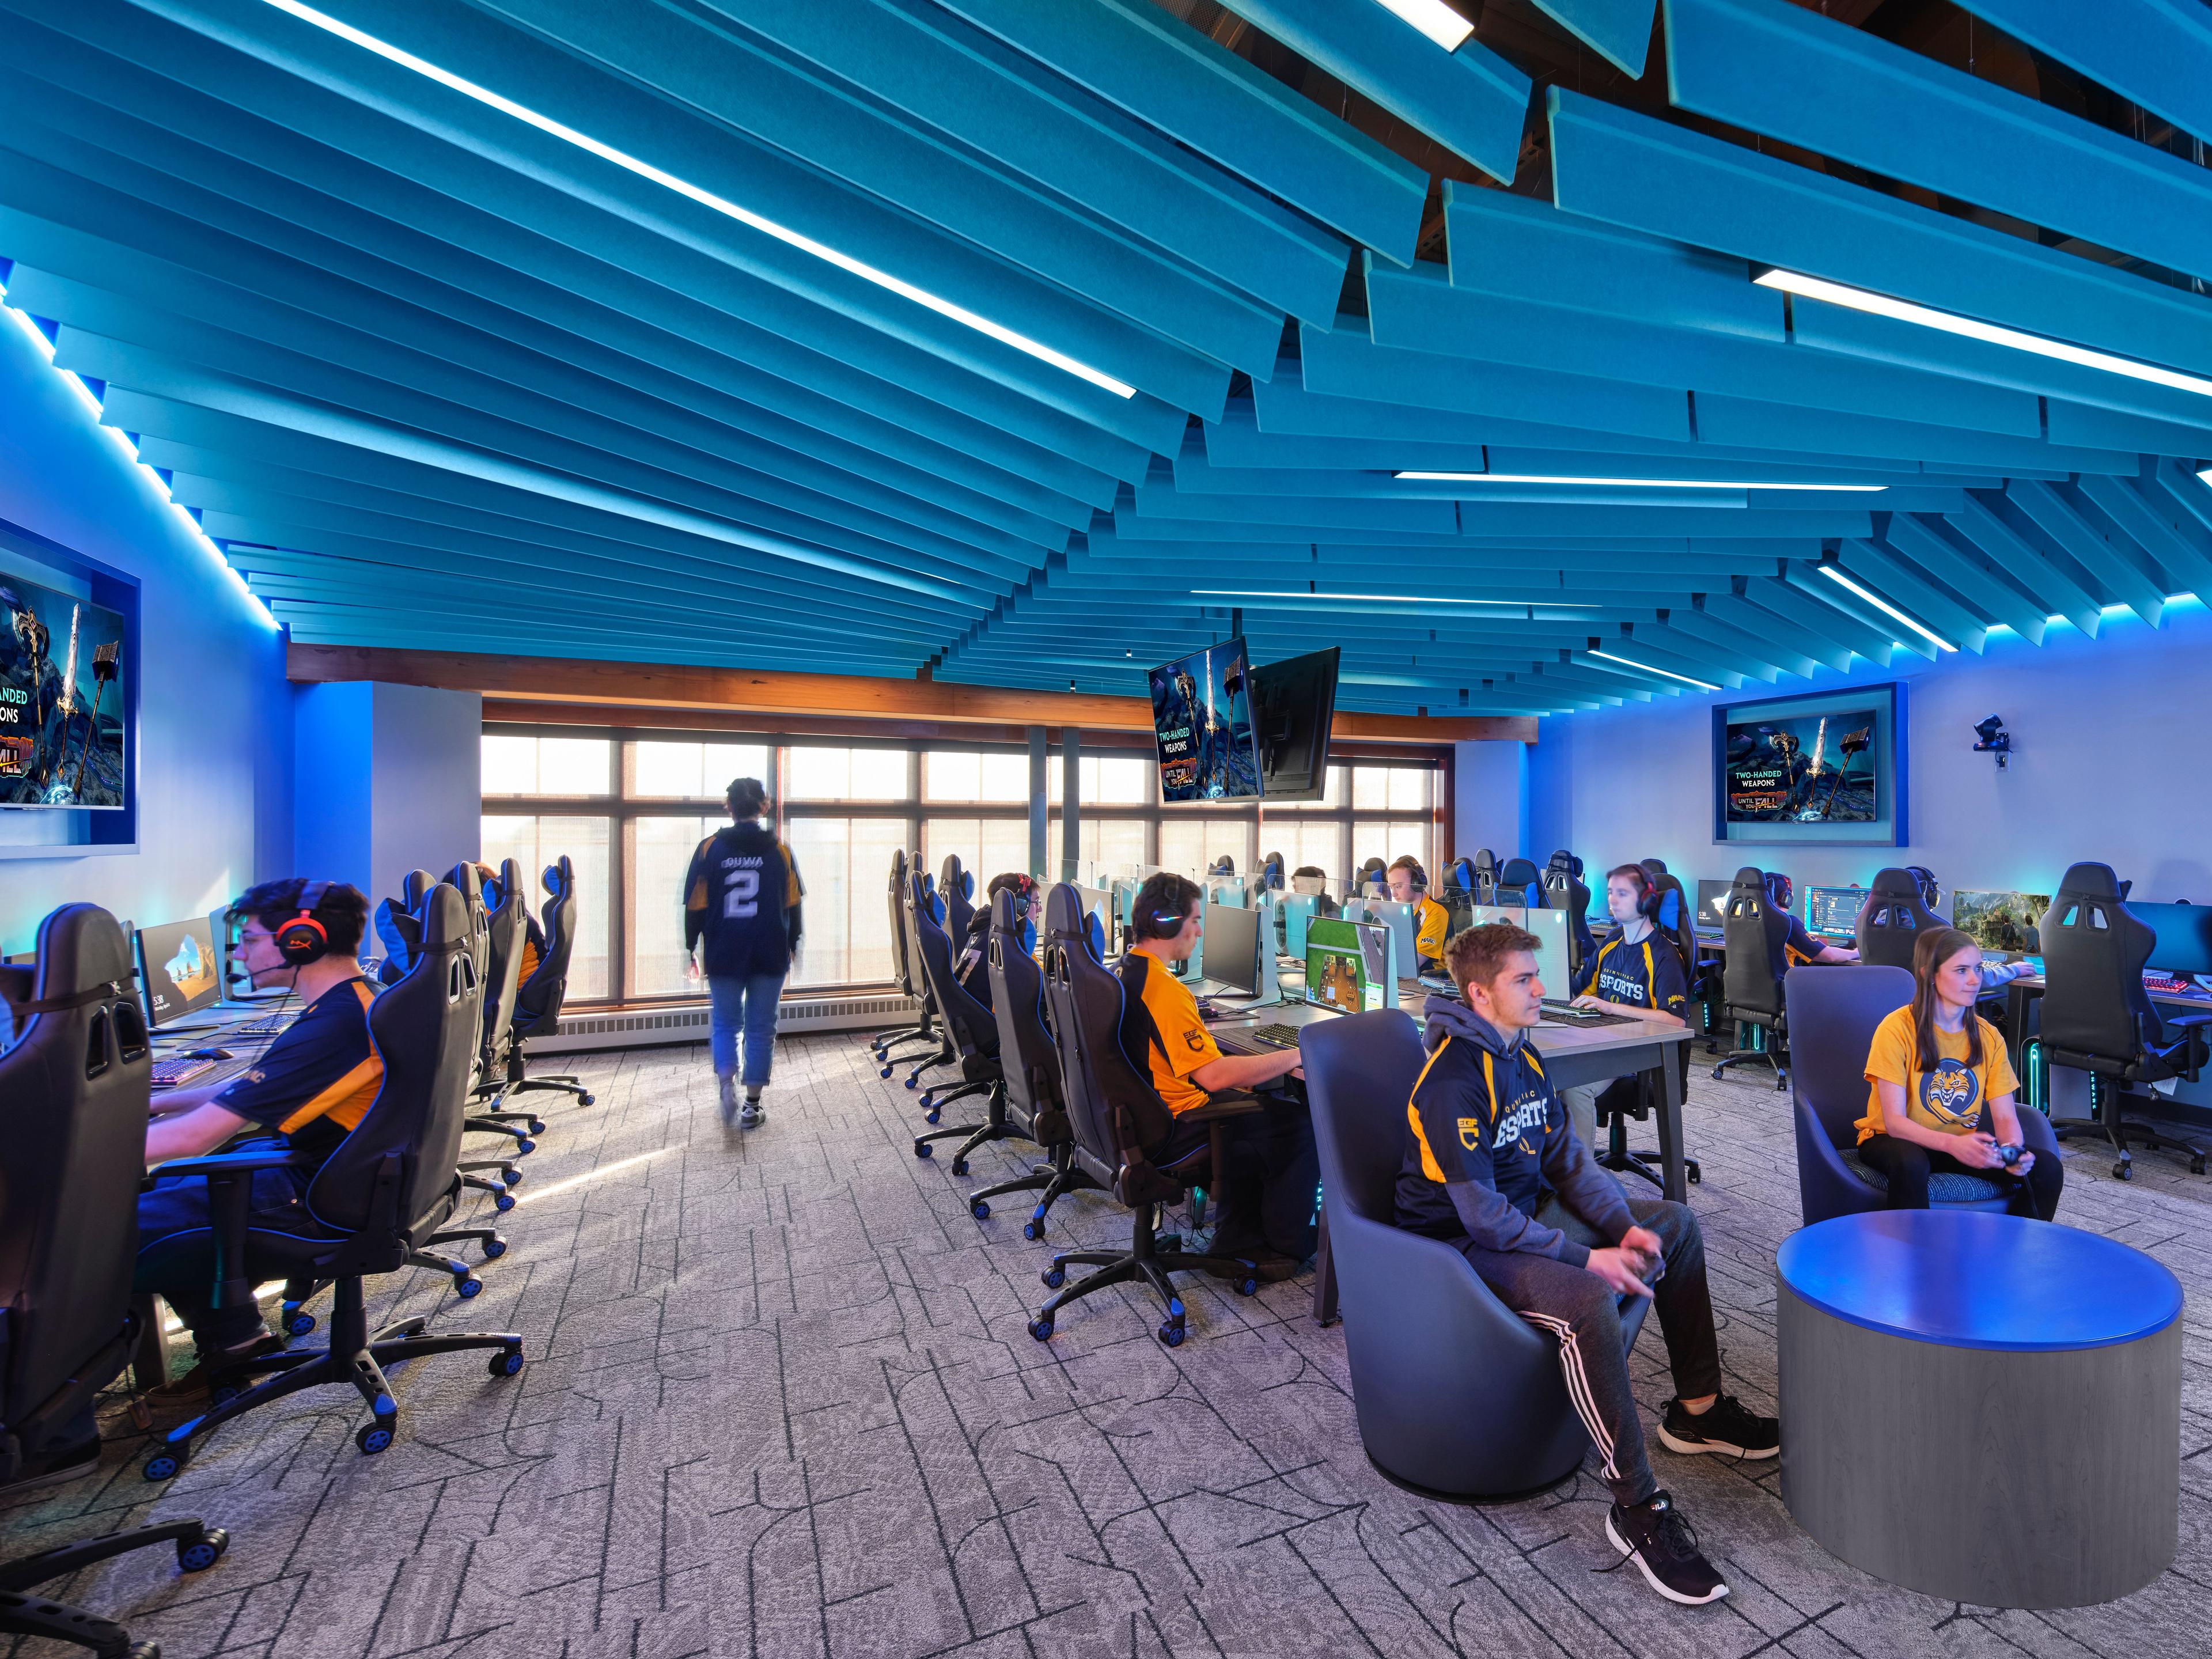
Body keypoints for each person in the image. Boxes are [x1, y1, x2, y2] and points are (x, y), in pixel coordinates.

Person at [1396, 921, 1777, 1606]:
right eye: (1524, 979)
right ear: (1481, 994)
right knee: (1586, 1300)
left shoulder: (1522, 1053)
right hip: (1455, 1248)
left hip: (1523, 1216)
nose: (1543, 988)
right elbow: (1483, 1219)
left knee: (1676, 1226)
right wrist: (1587, 1258)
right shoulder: (1453, 1079)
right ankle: (1636, 1508)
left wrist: (1625, 1230)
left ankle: (1698, 1410)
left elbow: (1569, 1163)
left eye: (1538, 975)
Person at [135, 878, 378, 1399]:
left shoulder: (333, 1027)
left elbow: (192, 1139)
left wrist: (61, 1156)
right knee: (164, 1193)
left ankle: (60, 1432)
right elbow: (238, 1093)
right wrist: (148, 1105)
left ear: (300, 941)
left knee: (110, 1230)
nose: (239, 954)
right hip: (338, 1177)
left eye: (248, 940)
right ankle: (237, 1343)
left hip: (317, 1196)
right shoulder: (350, 1003)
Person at [1122, 872, 1318, 1281]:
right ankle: (1282, 1248)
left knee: (1258, 1102)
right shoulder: (1165, 989)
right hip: (1179, 1129)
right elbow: (1213, 1077)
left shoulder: (1125, 972)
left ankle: (1237, 1236)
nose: (1199, 930)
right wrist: (1295, 1054)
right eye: (1194, 920)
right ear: (1167, 924)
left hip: (1141, 1122)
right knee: (1299, 1126)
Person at [1856, 927, 2062, 1219]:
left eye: (1978, 968)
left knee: (2047, 1168)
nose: (1975, 979)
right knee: (1910, 1162)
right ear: (1930, 974)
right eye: (1962, 970)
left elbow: (2005, 1117)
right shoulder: (1896, 1029)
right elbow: (1895, 1123)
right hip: (1892, 1140)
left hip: (1959, 1142)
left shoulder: (1988, 1036)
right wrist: (1954, 1144)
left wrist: (2012, 1152)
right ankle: (1912, 1259)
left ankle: (2013, 1253)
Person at [683, 778, 803, 1130]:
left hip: (723, 950)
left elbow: (695, 905)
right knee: (761, 1028)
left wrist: (691, 946)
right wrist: (793, 943)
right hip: (769, 950)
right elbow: (793, 903)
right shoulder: (779, 849)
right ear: (764, 807)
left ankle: (725, 1084)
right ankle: (752, 1105)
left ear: (729, 807)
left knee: (726, 1022)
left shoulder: (709, 849)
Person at [1558, 865, 1692, 1147]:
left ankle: (1579, 1180)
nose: (1613, 900)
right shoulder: (1610, 942)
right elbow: (1577, 991)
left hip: (1635, 1054)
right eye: (1610, 893)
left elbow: (1676, 1020)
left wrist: (1611, 1007)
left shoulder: (1664, 955)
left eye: (1622, 893)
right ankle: (1549, 1170)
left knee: (1574, 1087)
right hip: (1598, 1042)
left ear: (1645, 899)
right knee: (1539, 1070)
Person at [955, 873, 1035, 1009]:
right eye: (1037, 902)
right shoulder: (1004, 941)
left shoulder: (986, 928)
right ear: (1020, 906)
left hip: (969, 1014)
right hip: (988, 1020)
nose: (1040, 908)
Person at [1767, 872, 1857, 964]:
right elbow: (1830, 956)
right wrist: (1856, 952)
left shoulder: (1753, 923)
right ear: (1786, 898)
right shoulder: (1789, 924)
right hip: (1785, 978)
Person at [1386, 855, 1449, 974]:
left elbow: (1412, 964)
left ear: (1417, 883)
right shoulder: (1400, 912)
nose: (1393, 894)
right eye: (1391, 888)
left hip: (1427, 985)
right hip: (1406, 980)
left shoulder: (1435, 913)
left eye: (1399, 886)